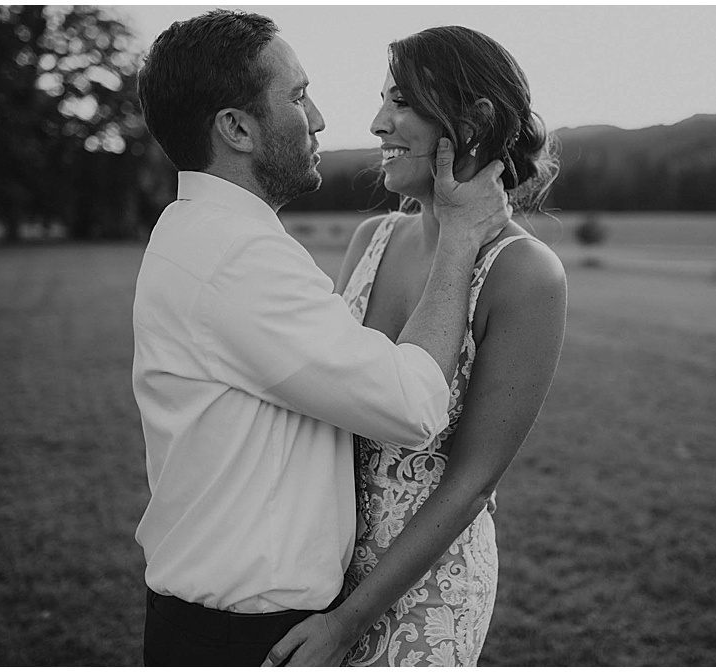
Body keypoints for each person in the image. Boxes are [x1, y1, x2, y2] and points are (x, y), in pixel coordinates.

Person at [131, 10, 515, 666]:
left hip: (228, 623)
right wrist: (459, 238)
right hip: (245, 638)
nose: (319, 119)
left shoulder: (198, 233)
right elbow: (412, 405)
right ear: (237, 128)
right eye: (299, 96)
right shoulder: (238, 257)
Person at [263, 26, 568, 666]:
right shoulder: (371, 239)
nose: (378, 123)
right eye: (383, 101)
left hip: (426, 593)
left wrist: (347, 623)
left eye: (401, 102)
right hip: (319, 569)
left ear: (471, 123)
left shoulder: (525, 273)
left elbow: (473, 483)